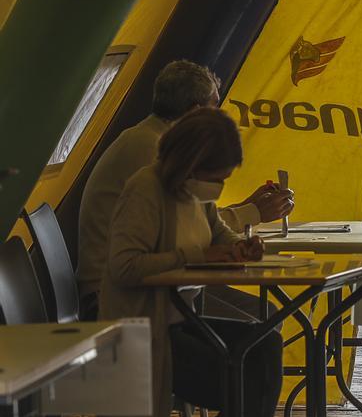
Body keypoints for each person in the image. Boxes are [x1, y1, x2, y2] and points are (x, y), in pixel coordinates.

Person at [100, 108, 283, 417]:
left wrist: (241, 247)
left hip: (182, 320)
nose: (219, 186)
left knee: (266, 344)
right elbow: (124, 266)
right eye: (216, 177)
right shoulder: (145, 191)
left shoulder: (195, 196)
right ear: (191, 164)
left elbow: (219, 233)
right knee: (244, 384)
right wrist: (197, 257)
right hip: (144, 333)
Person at [78, 60, 294, 322]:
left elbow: (201, 221)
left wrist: (245, 224)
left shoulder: (154, 140)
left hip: (160, 282)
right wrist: (254, 213)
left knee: (266, 316)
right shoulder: (153, 152)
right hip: (120, 296)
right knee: (256, 328)